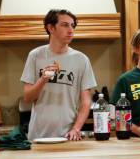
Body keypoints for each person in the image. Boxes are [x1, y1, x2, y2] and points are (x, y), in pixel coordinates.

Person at [21, 9, 97, 140]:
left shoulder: (81, 59)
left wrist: (76, 128)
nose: (71, 30)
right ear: (50, 28)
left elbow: (86, 101)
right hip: (38, 136)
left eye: (72, 26)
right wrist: (43, 79)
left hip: (68, 136)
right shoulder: (35, 56)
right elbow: (28, 98)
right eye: (65, 25)